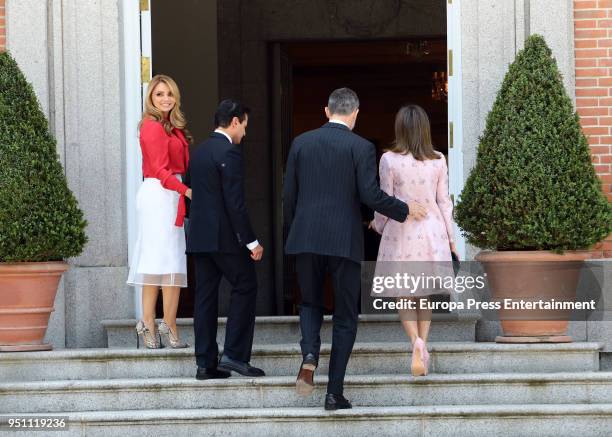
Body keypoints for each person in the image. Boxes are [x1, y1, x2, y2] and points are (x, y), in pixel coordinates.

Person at [283, 88, 427, 410]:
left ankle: (309, 354)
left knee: (309, 303)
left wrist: (293, 234)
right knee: (346, 316)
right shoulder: (361, 147)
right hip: (345, 242)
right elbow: (371, 196)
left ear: (326, 110)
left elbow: (288, 196)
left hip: (305, 238)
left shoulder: (301, 143)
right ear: (356, 113)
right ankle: (334, 393)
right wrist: (404, 209)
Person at [370, 104, 458, 377]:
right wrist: (452, 239)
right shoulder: (438, 159)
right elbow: (444, 202)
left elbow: (385, 199)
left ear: (400, 129)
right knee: (424, 295)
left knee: (404, 294)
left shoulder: (389, 160)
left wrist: (378, 223)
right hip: (432, 232)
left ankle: (415, 343)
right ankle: (424, 343)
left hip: (402, 231)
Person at [186, 99, 265, 381]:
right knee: (246, 285)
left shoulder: (198, 152)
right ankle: (234, 354)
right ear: (234, 122)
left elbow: (190, 189)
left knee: (205, 298)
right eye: (244, 126)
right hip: (225, 238)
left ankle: (205, 363)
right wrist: (251, 242)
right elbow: (235, 203)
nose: (245, 132)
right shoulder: (229, 152)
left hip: (200, 237)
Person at [127, 74, 191, 349]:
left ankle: (168, 322)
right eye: (159, 94)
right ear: (150, 99)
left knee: (172, 261)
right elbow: (159, 168)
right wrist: (184, 190)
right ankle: (150, 324)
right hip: (159, 194)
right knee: (156, 262)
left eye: (169, 94)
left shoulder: (172, 127)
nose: (165, 98)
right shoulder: (151, 126)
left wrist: (181, 189)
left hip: (171, 193)